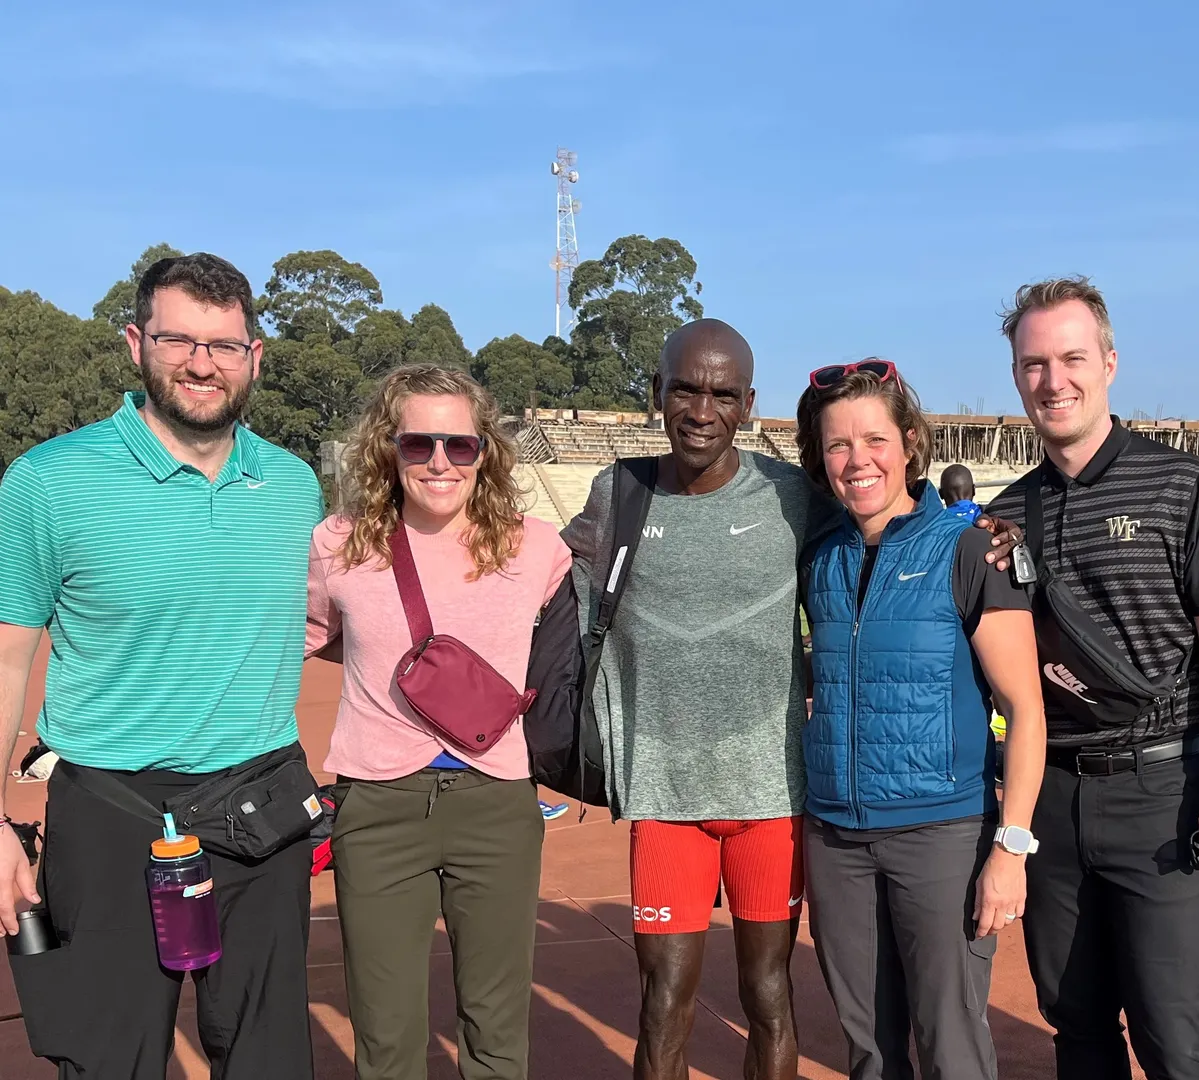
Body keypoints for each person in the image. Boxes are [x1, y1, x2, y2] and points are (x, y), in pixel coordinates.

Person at [560, 323, 1019, 1080]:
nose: (701, 410)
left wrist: (989, 527)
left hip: (775, 793)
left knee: (772, 993)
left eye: (720, 394)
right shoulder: (618, 493)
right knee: (663, 997)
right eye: (685, 389)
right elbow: (531, 570)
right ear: (657, 393)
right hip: (662, 793)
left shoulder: (790, 495)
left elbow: (893, 518)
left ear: (747, 403)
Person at [0, 253, 323, 1078]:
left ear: (256, 357)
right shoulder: (46, 482)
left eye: (223, 344)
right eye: (179, 339)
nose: (201, 363)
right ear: (136, 342)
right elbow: (6, 658)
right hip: (110, 806)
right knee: (110, 1058)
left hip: (262, 802)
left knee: (269, 1057)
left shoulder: (291, 487)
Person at [985, 277, 1199, 1080]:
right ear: (1017, 377)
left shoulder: (1181, 486)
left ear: (1109, 362)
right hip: (1055, 797)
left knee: (1176, 1036)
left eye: (1072, 357)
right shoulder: (1006, 514)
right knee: (1077, 1025)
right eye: (1034, 364)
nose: (1053, 379)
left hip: (1161, 792)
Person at [307, 365, 570, 1079]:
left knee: (495, 1031)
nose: (440, 462)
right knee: (386, 1035)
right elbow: (312, 637)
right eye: (419, 443)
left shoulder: (536, 547)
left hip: (496, 806)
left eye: (461, 445)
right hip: (378, 805)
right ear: (386, 448)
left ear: (486, 450)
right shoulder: (339, 543)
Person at [795, 360, 1047, 1079]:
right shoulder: (821, 558)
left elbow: (1025, 711)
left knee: (952, 1045)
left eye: (873, 439)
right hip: (839, 837)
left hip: (940, 836)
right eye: (838, 445)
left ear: (908, 443)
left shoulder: (968, 549)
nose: (857, 460)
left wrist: (1011, 849)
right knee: (870, 1049)